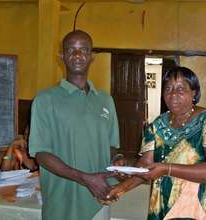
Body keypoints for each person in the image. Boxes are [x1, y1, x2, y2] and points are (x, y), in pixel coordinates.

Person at [106, 66, 206, 220]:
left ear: (194, 93)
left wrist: (167, 169)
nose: (173, 94)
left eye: (180, 88)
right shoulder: (157, 125)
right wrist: (123, 183)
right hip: (165, 203)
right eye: (168, 88)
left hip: (204, 207)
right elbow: (146, 164)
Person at [29, 30, 122, 220]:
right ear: (61, 56)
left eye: (84, 50)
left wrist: (118, 160)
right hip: (62, 203)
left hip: (100, 198)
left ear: (92, 56)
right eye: (71, 49)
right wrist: (84, 178)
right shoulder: (45, 100)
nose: (77, 55)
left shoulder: (105, 100)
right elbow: (41, 154)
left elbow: (111, 146)